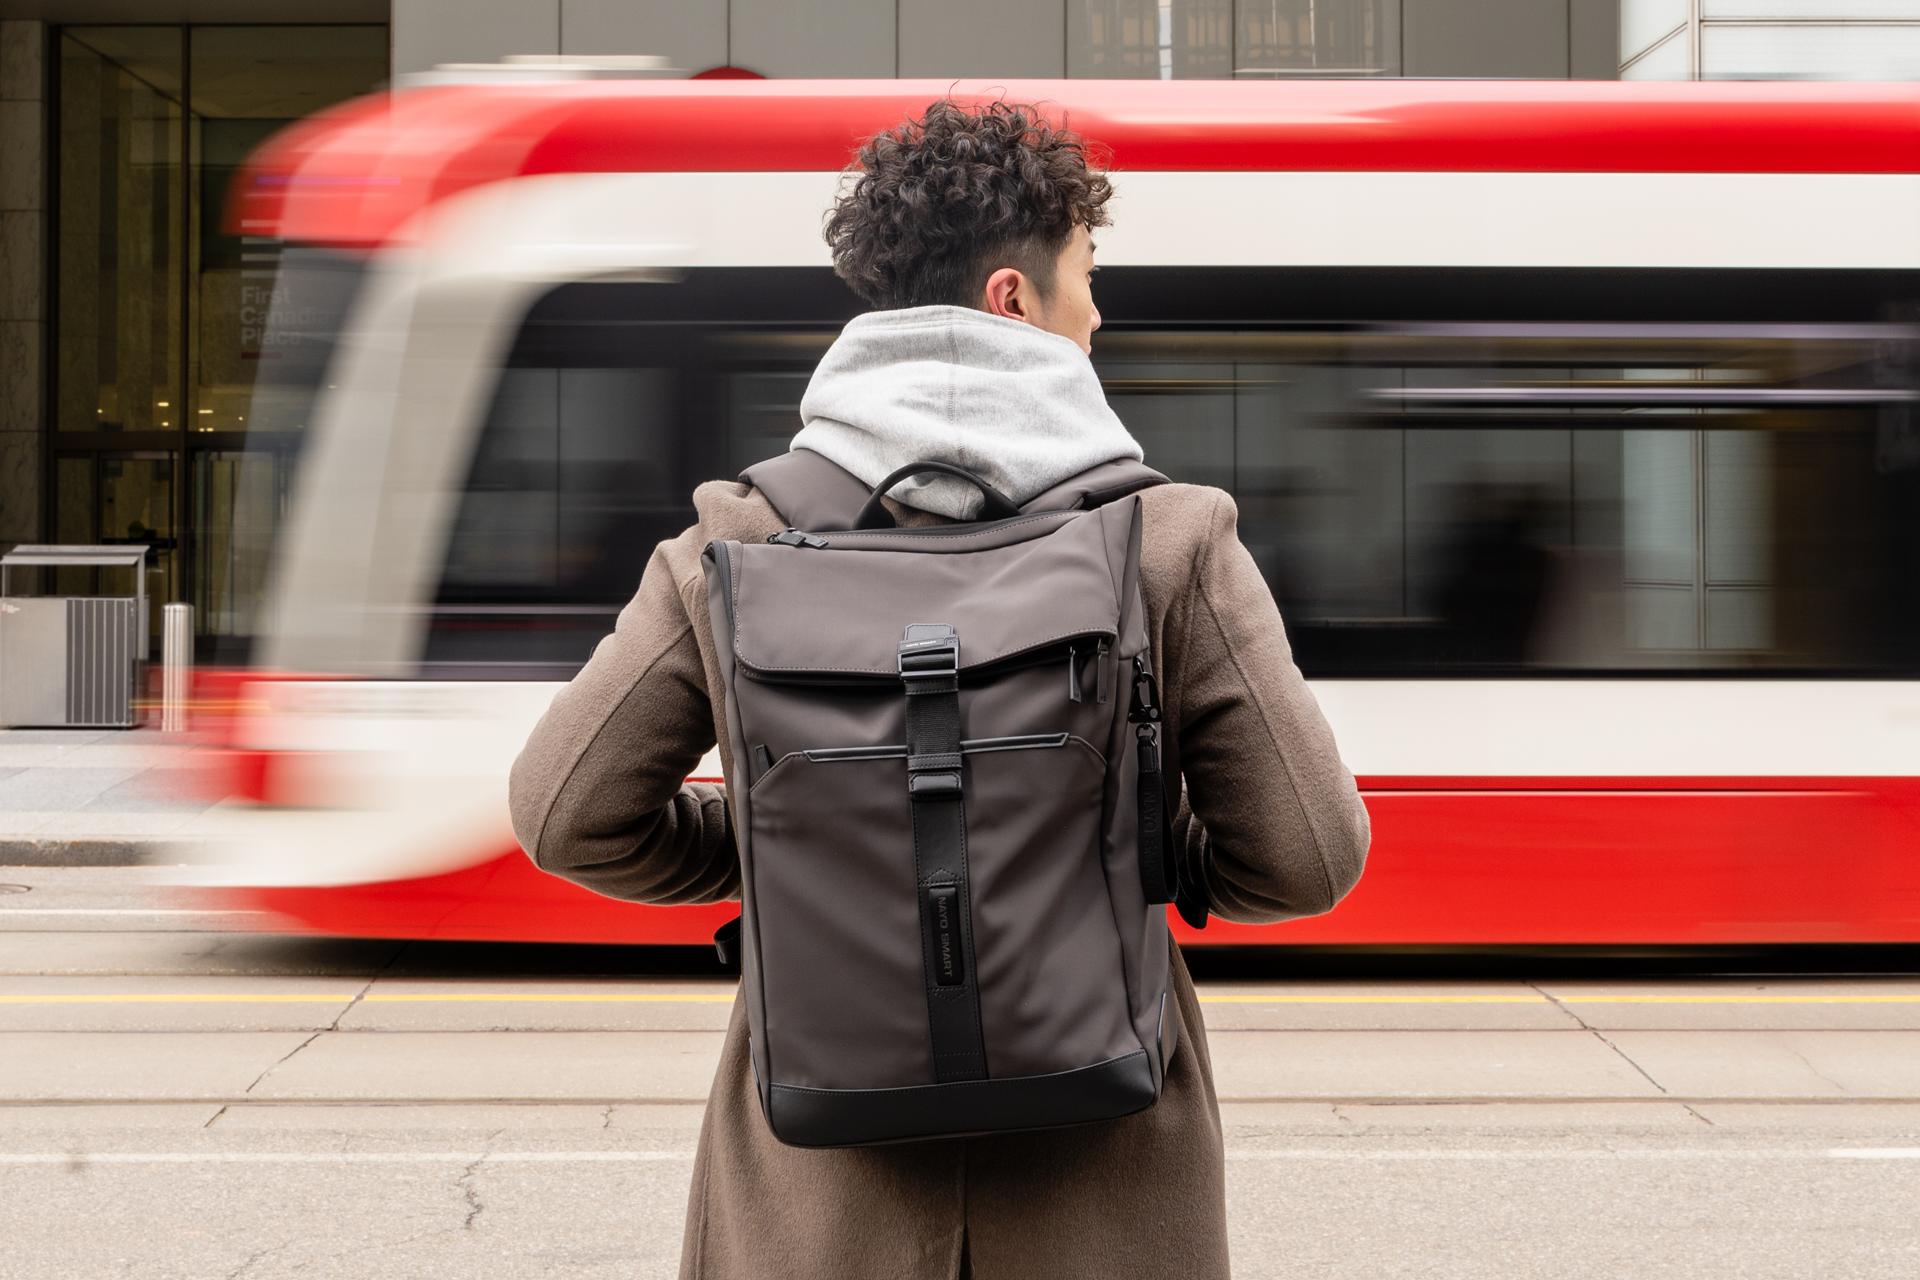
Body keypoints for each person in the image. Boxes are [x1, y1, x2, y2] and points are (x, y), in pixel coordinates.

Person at [508, 98, 1370, 1280]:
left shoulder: (737, 539)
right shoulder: (1169, 543)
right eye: (1088, 276)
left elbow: (564, 812)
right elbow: (1311, 854)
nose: (1099, 311)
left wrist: (794, 829)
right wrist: (1115, 836)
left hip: (821, 1201)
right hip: (1104, 1188)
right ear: (1015, 297)